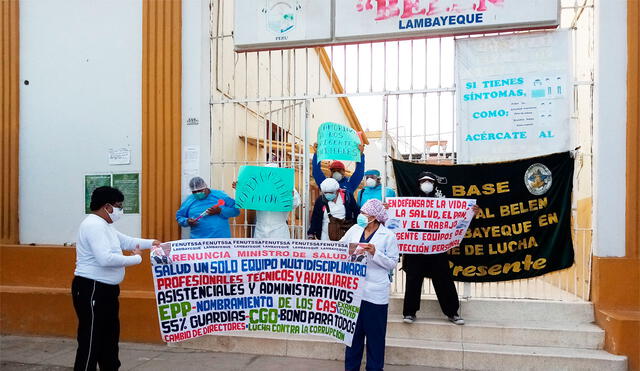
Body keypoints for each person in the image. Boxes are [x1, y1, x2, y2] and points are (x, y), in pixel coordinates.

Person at [72, 186, 161, 371]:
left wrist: (151, 243)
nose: (121, 210)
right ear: (107, 206)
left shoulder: (106, 225)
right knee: (91, 338)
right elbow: (105, 259)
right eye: (119, 206)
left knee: (110, 337)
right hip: (92, 288)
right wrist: (136, 259)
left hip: (108, 290)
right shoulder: (93, 225)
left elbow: (127, 241)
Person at [402, 171, 478, 325]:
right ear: (418, 183)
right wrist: (388, 209)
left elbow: (456, 221)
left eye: (429, 181)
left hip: (437, 248)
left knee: (444, 280)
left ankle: (452, 313)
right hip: (415, 249)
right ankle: (409, 313)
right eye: (423, 180)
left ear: (434, 184)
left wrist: (471, 214)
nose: (426, 183)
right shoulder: (409, 202)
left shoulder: (442, 202)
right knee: (413, 280)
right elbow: (397, 219)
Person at [341, 199, 399, 371]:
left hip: (375, 295)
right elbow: (340, 247)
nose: (361, 216)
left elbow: (392, 263)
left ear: (374, 217)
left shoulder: (388, 236)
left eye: (365, 213)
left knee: (375, 339)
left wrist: (375, 252)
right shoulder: (354, 229)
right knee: (352, 338)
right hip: (353, 292)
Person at [232, 163, 301, 239]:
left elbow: (296, 203)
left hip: (279, 231)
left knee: (279, 251)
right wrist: (240, 189)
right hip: (260, 229)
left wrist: (291, 195)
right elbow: (246, 198)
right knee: (261, 251)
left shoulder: (286, 186)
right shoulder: (258, 187)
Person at [176, 176, 240, 238]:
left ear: (206, 187)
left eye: (200, 191)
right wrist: (187, 221)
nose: (198, 193)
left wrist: (220, 211)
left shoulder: (220, 195)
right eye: (194, 192)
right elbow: (179, 216)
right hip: (198, 242)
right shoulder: (189, 200)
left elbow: (236, 211)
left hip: (220, 240)